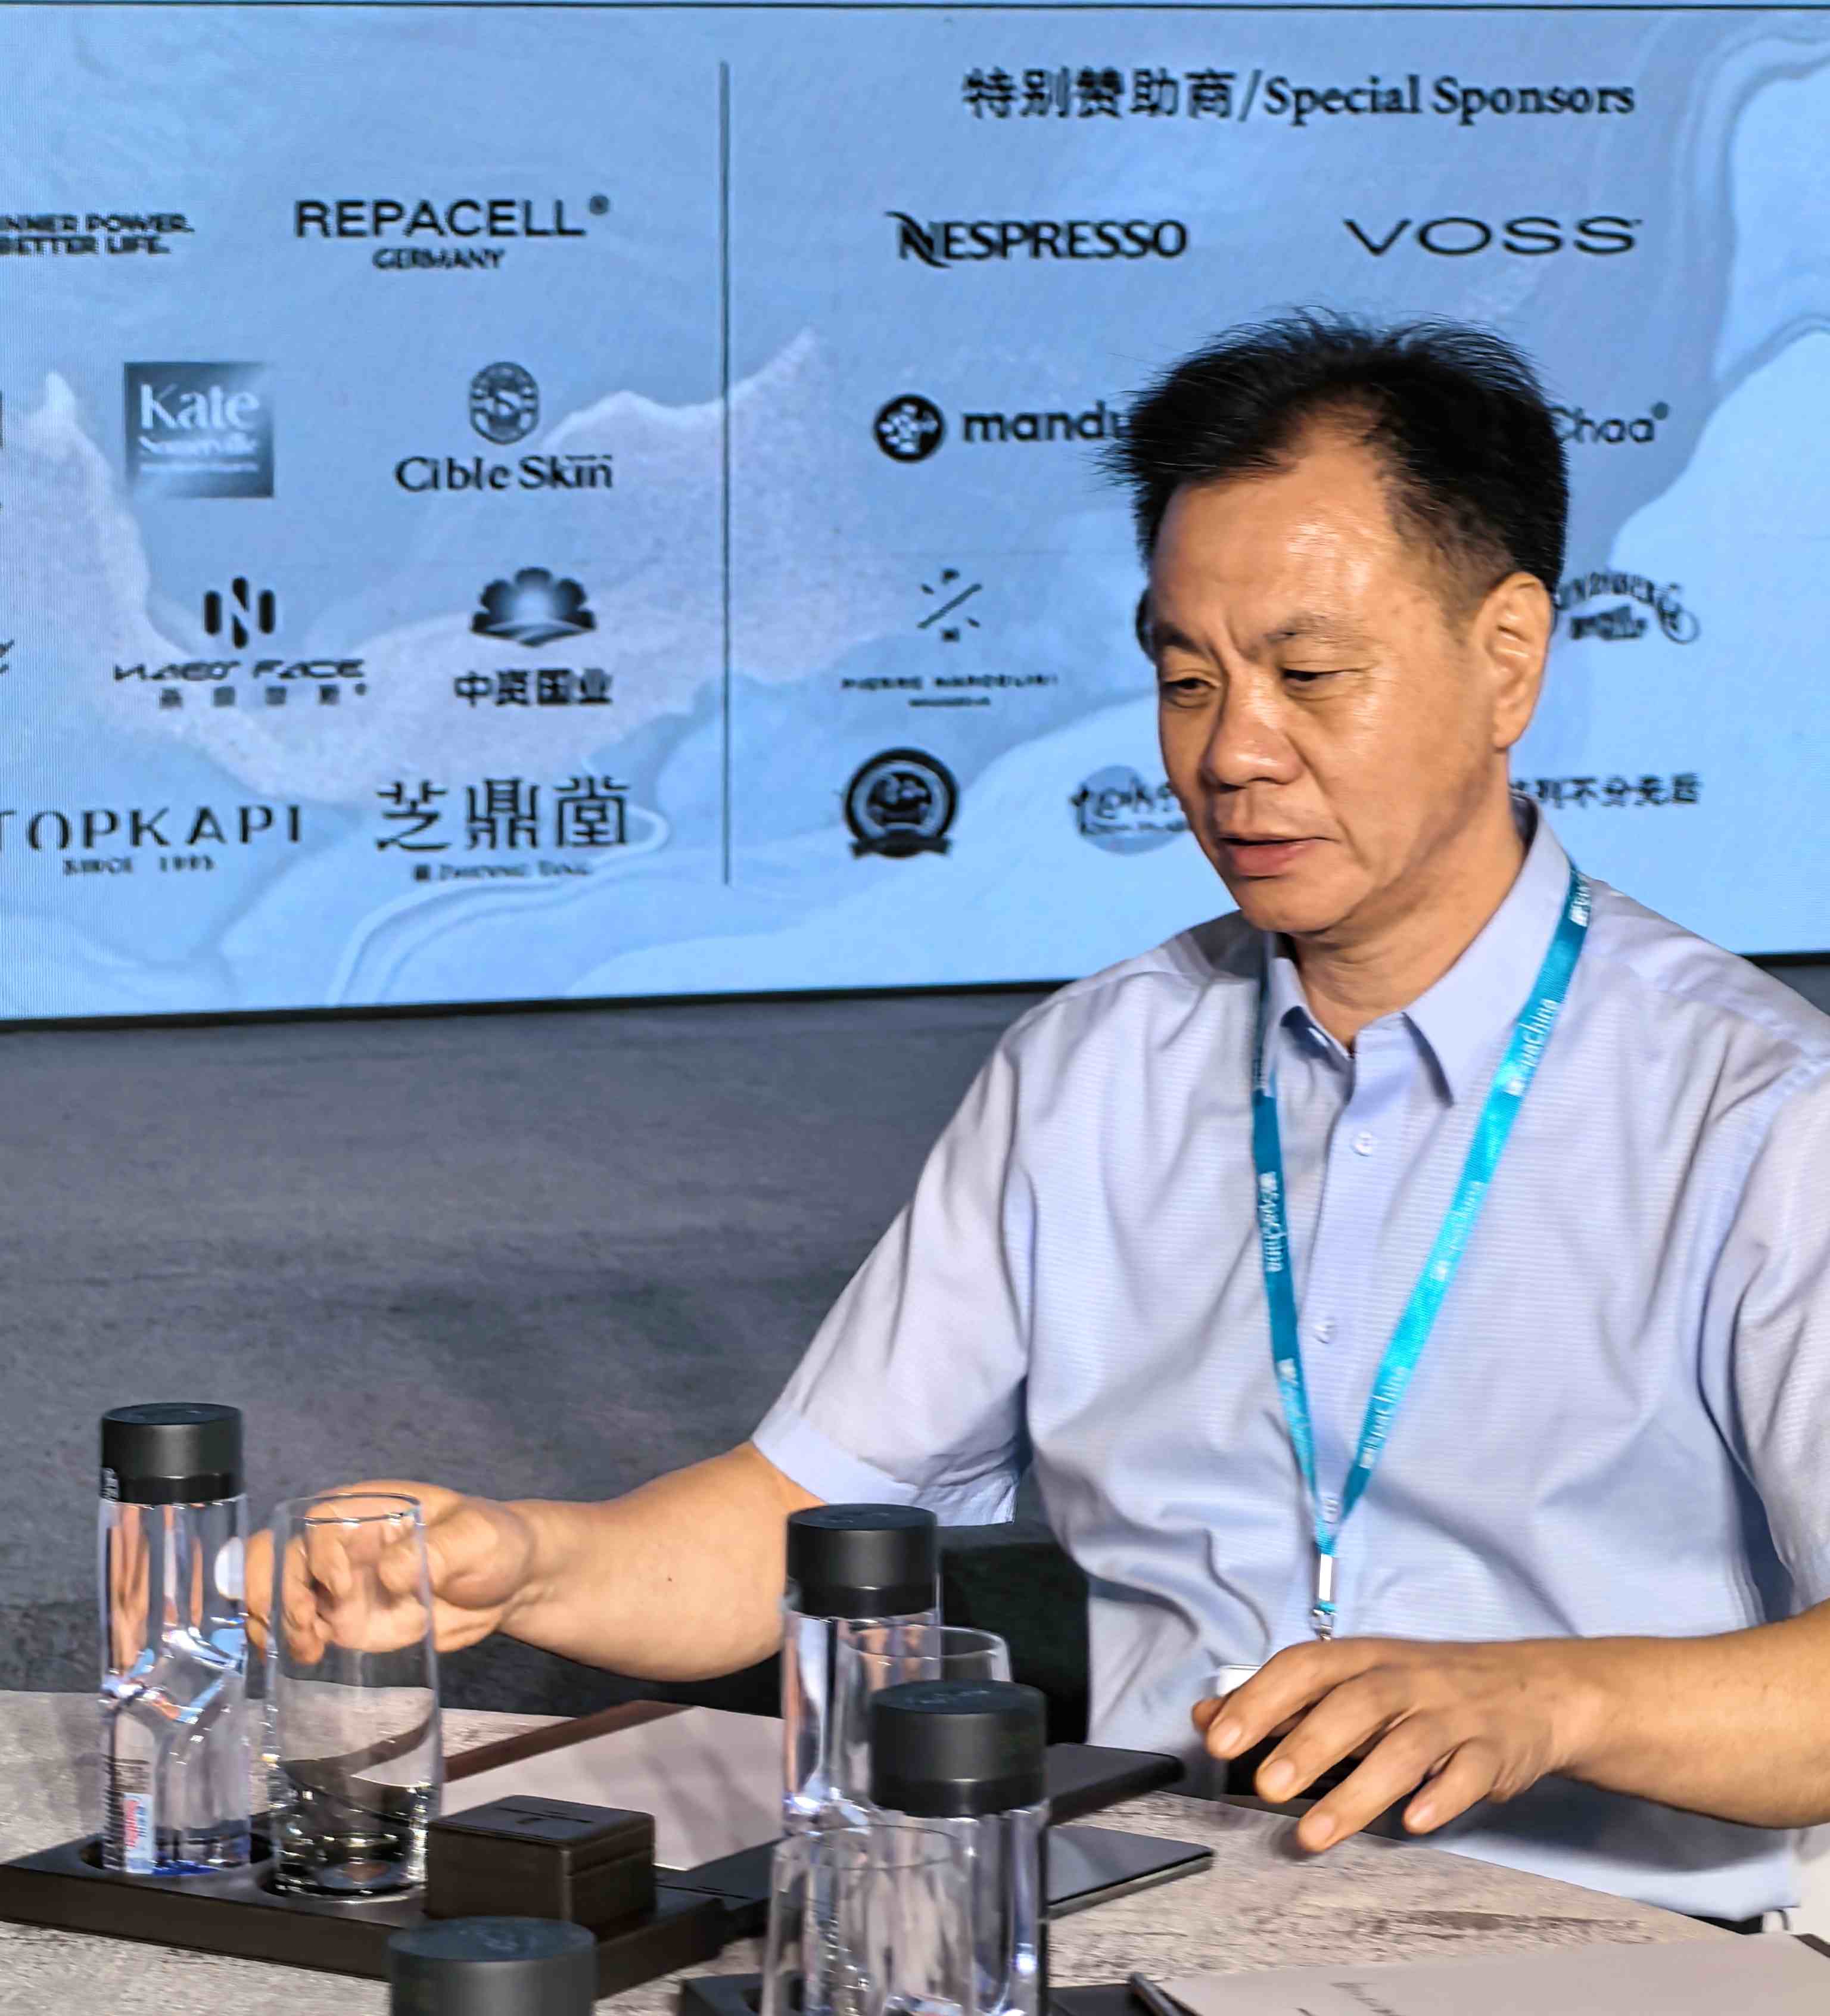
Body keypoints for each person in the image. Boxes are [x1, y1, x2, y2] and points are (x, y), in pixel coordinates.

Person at [250, 314, 1830, 1924]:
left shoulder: (1760, 1112)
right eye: (1186, 679)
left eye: (1308, 676)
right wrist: (531, 1559)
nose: (1234, 753)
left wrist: (1546, 1702)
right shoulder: (1094, 1072)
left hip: (1607, 1948)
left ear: (1509, 658)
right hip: (1152, 1921)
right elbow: (804, 1510)